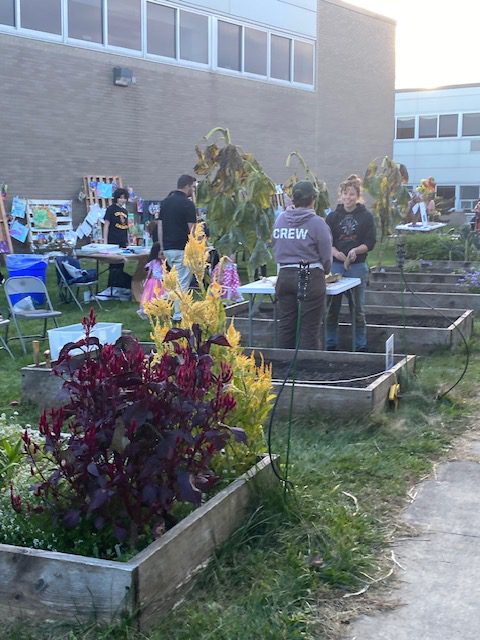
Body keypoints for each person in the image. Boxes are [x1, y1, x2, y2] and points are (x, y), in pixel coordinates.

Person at [272, 180, 332, 349]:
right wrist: (325, 271)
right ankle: (308, 370)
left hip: (284, 276)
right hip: (310, 276)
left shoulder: (280, 220)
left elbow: (275, 246)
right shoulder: (317, 223)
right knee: (309, 329)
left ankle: (283, 367)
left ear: (293, 199)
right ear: (313, 199)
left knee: (286, 326)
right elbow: (326, 255)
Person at [326, 174, 376, 352]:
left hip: (357, 267)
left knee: (358, 308)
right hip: (337, 266)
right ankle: (330, 343)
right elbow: (327, 242)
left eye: (352, 194)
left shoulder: (366, 217)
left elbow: (370, 243)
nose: (349, 197)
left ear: (358, 196)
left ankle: (360, 345)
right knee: (332, 306)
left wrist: (356, 251)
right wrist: (337, 254)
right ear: (341, 195)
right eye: (346, 194)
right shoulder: (332, 217)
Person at [157, 175, 197, 321]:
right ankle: (177, 314)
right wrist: (196, 249)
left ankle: (160, 305)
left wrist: (161, 247)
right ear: (186, 186)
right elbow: (192, 229)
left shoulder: (165, 203)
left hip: (168, 248)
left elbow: (160, 226)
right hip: (183, 248)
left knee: (174, 281)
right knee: (182, 282)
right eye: (193, 187)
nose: (193, 190)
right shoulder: (188, 204)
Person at [103, 187, 132, 294]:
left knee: (120, 264)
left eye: (124, 198)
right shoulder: (111, 209)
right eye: (120, 198)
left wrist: (128, 240)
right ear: (116, 198)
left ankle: (118, 285)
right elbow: (106, 225)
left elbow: (126, 227)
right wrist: (105, 241)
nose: (122, 200)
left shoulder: (125, 211)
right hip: (113, 240)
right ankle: (111, 285)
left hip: (122, 241)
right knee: (113, 265)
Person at [137, 242, 166, 319]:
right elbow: (153, 273)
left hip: (158, 282)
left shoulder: (160, 262)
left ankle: (158, 312)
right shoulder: (155, 262)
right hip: (155, 282)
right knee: (152, 297)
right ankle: (149, 311)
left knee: (158, 297)